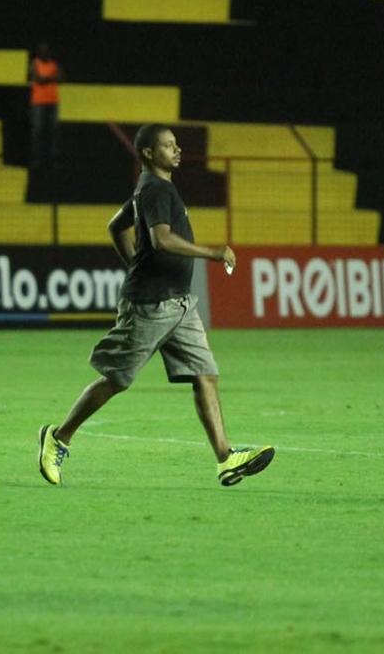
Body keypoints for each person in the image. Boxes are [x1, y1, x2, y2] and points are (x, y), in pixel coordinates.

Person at [37, 124, 275, 487]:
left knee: (205, 373)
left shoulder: (150, 189)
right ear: (148, 153)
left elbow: (116, 226)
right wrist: (213, 253)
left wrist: (133, 260)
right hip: (149, 305)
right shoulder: (155, 189)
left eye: (176, 145)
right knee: (116, 380)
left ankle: (226, 458)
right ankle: (58, 438)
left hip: (179, 305)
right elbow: (162, 240)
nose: (177, 150)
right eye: (167, 145)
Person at [27, 42, 64, 170]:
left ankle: (54, 159)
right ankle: (36, 159)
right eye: (42, 50)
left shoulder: (54, 63)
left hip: (52, 101)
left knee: (53, 130)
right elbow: (38, 79)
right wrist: (51, 77)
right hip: (38, 102)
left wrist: (47, 78)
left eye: (46, 50)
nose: (44, 52)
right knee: (37, 130)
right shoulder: (34, 63)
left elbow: (60, 77)